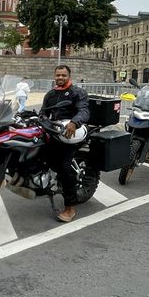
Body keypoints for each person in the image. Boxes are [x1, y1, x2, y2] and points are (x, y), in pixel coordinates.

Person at [41, 64, 90, 223]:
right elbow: (43, 113)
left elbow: (84, 111)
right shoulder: (51, 94)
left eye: (63, 75)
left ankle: (70, 207)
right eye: (58, 75)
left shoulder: (77, 92)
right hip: (54, 132)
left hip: (71, 134)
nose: (60, 78)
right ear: (54, 76)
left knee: (65, 166)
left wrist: (75, 122)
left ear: (69, 76)